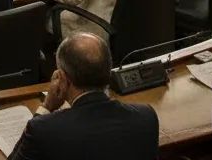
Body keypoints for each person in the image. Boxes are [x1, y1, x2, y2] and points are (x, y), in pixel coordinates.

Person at [8, 34, 158, 160]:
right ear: (108, 71)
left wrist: (46, 107)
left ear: (62, 79)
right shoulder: (146, 117)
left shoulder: (43, 129)